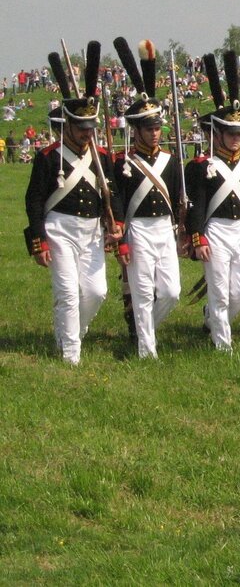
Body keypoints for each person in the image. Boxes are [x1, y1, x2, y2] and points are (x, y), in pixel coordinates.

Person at [24, 45, 118, 365]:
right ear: (68, 126)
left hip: (91, 231)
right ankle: (70, 355)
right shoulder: (49, 158)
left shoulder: (103, 159)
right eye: (82, 128)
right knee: (67, 292)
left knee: (96, 292)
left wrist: (113, 223)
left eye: (91, 128)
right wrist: (39, 241)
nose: (87, 133)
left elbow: (112, 195)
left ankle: (72, 330)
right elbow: (34, 199)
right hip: (59, 229)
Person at [185, 53, 240, 352]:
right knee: (219, 290)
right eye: (230, 134)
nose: (236, 139)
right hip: (215, 230)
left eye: (239, 134)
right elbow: (196, 205)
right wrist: (197, 237)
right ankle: (222, 343)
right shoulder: (201, 166)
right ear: (217, 133)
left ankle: (212, 319)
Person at [111, 39, 184, 359]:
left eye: (156, 127)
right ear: (136, 130)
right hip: (137, 229)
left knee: (171, 292)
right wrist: (120, 239)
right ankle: (146, 348)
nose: (154, 132)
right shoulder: (123, 163)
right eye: (148, 128)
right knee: (142, 292)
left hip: (164, 229)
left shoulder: (171, 161)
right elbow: (117, 203)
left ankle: (143, 329)